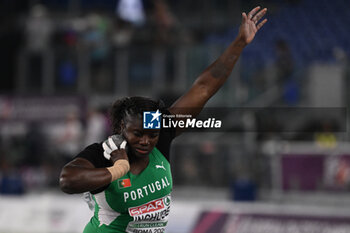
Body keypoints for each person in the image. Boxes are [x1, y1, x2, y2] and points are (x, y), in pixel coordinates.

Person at [59, 6, 267, 233]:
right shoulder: (104, 153)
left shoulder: (162, 136)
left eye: (152, 134)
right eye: (137, 134)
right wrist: (117, 170)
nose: (146, 141)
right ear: (121, 128)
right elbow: (67, 181)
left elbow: (204, 88)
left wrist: (239, 43)